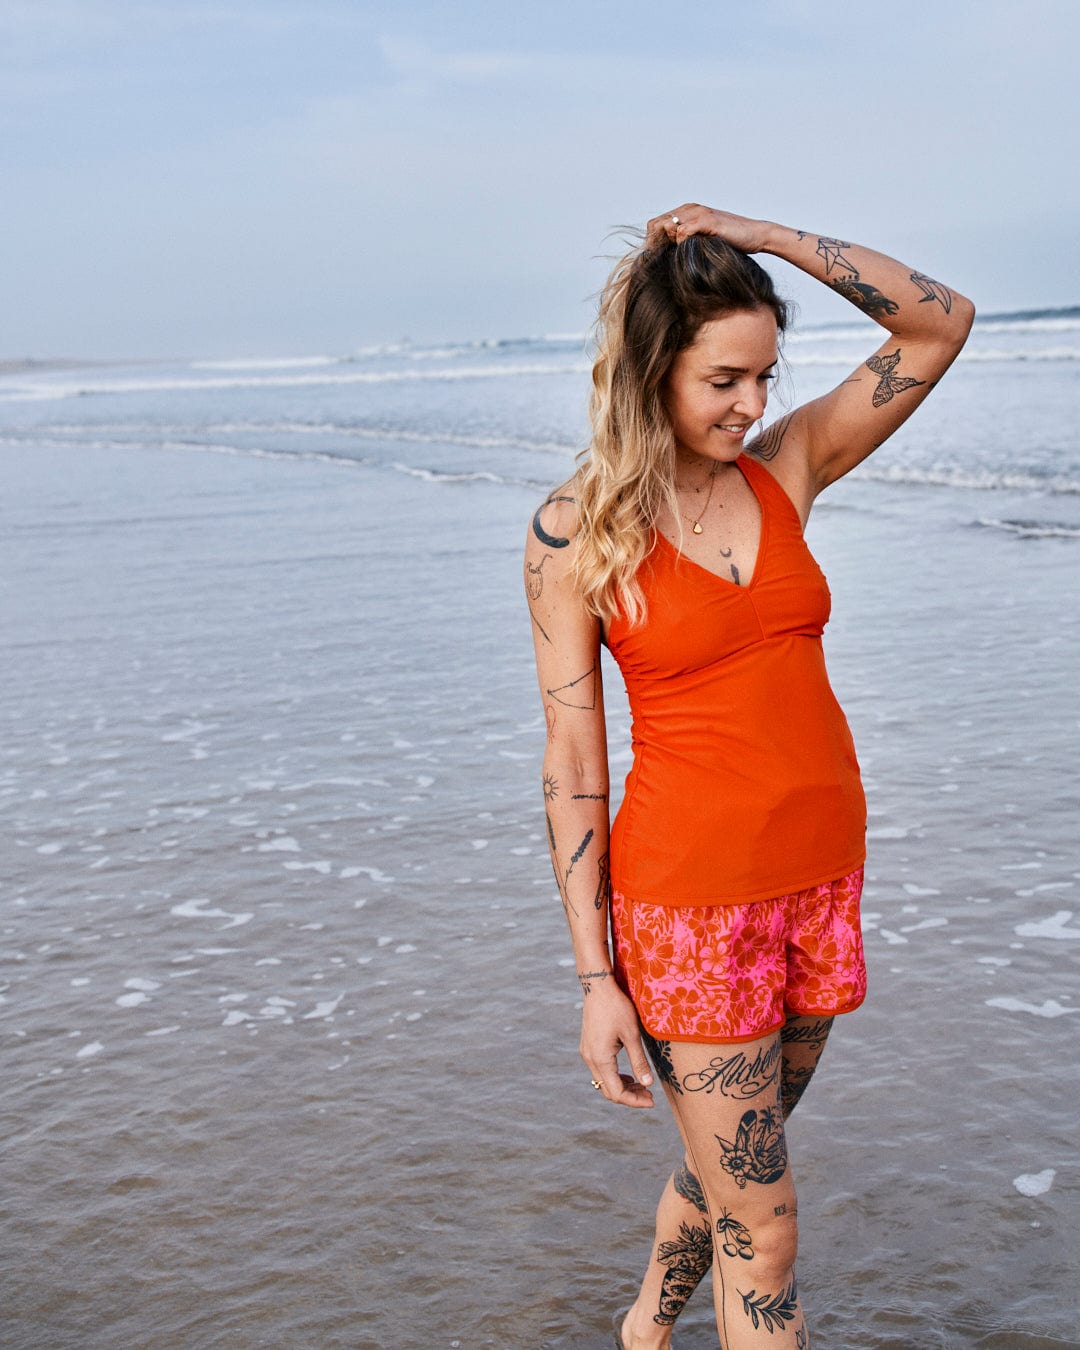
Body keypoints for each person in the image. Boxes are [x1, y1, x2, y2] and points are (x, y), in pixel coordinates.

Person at [524, 204, 973, 1348]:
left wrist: (764, 239)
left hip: (819, 884)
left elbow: (939, 325)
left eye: (768, 376)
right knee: (765, 1232)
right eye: (726, 378)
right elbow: (575, 764)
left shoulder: (786, 470)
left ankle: (644, 1326)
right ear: (650, 366)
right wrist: (594, 982)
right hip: (691, 911)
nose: (753, 406)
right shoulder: (579, 534)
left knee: (732, 1170)